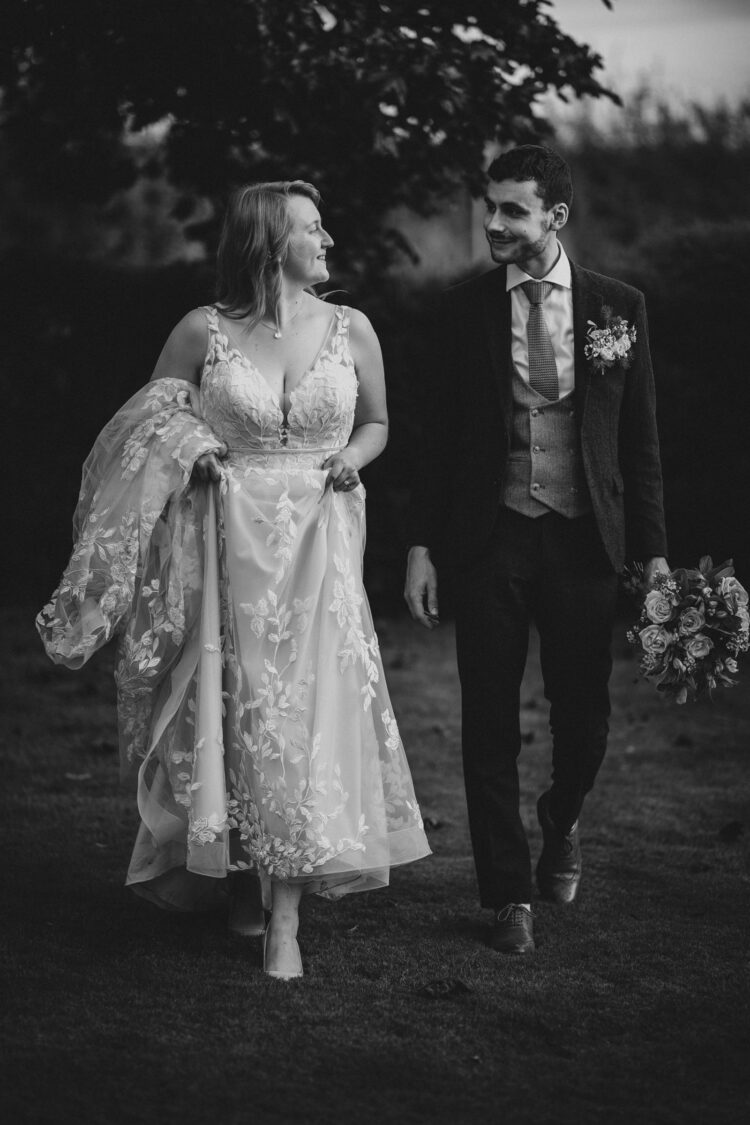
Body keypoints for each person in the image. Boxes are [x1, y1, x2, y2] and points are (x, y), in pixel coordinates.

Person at [37, 180, 430, 980]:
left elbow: (378, 422)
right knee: (239, 710)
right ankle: (244, 871)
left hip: (320, 542)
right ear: (268, 243)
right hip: (230, 546)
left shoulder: (352, 328)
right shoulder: (202, 331)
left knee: (304, 712)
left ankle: (286, 917)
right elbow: (152, 421)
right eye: (311, 229)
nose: (327, 240)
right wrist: (199, 450)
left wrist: (351, 462)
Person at [404, 146, 668, 954]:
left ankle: (563, 817)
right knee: (488, 722)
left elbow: (641, 444)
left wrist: (653, 554)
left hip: (586, 543)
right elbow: (435, 437)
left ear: (554, 216)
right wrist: (420, 544)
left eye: (512, 210)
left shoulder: (619, 309)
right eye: (490, 206)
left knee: (584, 720)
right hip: (490, 540)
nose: (493, 223)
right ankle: (508, 893)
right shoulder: (463, 310)